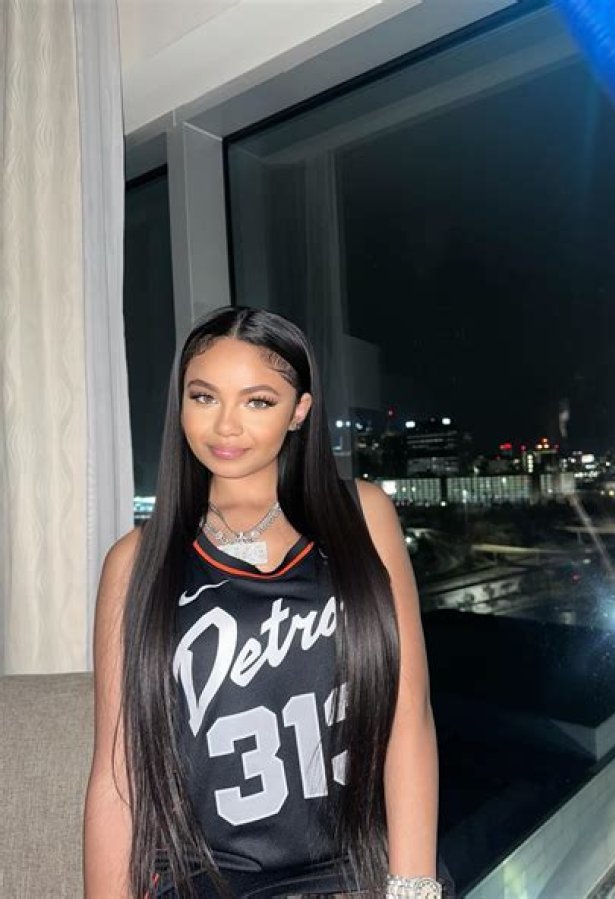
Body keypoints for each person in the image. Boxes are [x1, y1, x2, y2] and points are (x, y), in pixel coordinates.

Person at [83, 306, 451, 899]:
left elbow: (407, 717)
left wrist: (411, 888)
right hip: (204, 880)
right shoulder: (137, 561)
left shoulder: (362, 517)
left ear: (299, 411)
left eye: (257, 401)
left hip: (351, 873)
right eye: (204, 397)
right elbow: (116, 773)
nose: (225, 425)